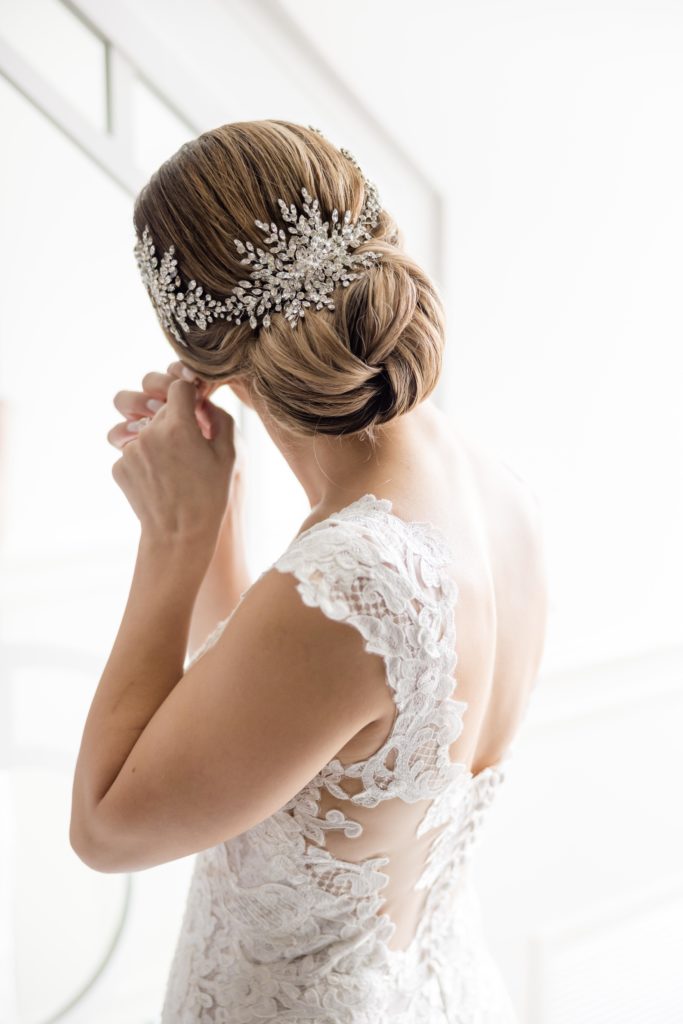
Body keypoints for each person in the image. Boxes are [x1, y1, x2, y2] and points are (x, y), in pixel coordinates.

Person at [70, 120, 548, 1023]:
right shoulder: (496, 494)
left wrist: (170, 539)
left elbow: (105, 829)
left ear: (199, 353)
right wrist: (216, 510)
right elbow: (272, 713)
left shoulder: (350, 583)